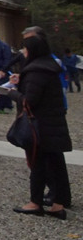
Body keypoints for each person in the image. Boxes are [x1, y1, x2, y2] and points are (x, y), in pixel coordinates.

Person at [8, 27, 72, 218]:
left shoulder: (36, 70)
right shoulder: (49, 65)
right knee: (56, 163)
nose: (24, 53)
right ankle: (58, 204)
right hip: (54, 122)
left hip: (40, 125)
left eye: (25, 49)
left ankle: (35, 202)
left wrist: (12, 93)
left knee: (38, 163)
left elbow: (30, 100)